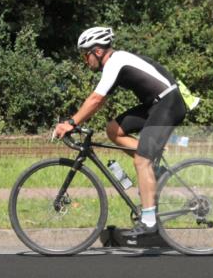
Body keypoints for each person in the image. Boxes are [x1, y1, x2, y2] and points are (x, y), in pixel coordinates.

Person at [53, 26, 187, 238]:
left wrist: (71, 122)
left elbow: (96, 99)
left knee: (141, 161)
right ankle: (152, 165)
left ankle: (149, 220)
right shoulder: (115, 62)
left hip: (168, 104)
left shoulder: (116, 62)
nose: (85, 61)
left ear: (97, 51)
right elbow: (100, 100)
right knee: (113, 130)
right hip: (155, 104)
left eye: (85, 55)